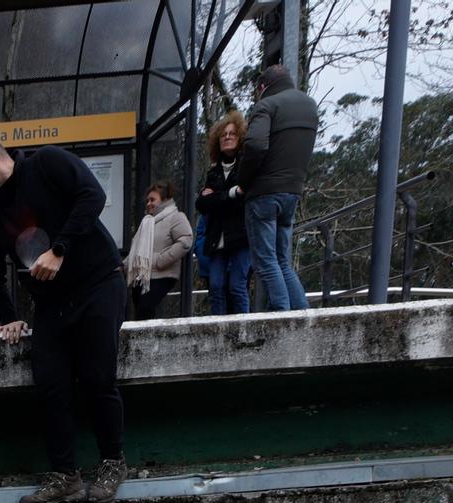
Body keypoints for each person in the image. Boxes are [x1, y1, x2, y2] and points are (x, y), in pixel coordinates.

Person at [0, 135, 128, 503]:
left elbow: (92, 197)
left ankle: (113, 462)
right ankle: (65, 476)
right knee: (51, 385)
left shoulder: (46, 163)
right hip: (52, 307)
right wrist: (9, 318)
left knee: (99, 377)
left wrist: (59, 249)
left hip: (99, 284)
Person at [239, 63, 318, 312]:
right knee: (283, 260)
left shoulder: (266, 105)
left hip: (264, 193)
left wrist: (243, 180)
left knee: (266, 260)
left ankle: (282, 318)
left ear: (263, 87)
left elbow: (255, 146)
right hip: (292, 191)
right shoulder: (309, 106)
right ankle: (302, 315)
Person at [195, 111, 252, 315]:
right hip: (217, 237)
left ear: (240, 138)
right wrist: (230, 193)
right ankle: (217, 329)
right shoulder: (214, 172)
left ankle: (245, 330)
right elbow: (202, 204)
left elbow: (244, 199)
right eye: (223, 135)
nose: (227, 137)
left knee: (238, 287)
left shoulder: (246, 166)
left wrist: (217, 197)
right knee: (216, 287)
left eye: (232, 134)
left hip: (240, 236)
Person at [123, 180, 193, 320]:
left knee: (145, 309)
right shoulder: (147, 222)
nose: (148, 203)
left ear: (165, 199)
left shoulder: (176, 217)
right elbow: (136, 251)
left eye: (152, 200)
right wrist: (123, 266)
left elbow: (185, 241)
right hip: (142, 276)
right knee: (141, 313)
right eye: (147, 200)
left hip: (162, 274)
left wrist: (160, 260)